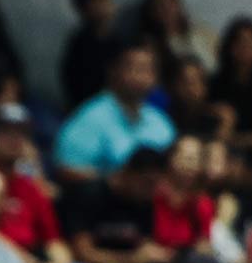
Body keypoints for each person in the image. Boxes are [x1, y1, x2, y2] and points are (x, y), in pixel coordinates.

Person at [54, 41, 176, 181]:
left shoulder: (161, 121)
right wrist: (115, 182)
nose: (140, 76)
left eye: (147, 70)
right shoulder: (90, 118)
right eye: (133, 68)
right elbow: (66, 169)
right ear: (113, 71)